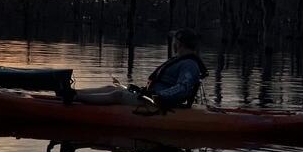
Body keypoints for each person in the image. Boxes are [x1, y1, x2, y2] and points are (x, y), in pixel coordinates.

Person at [63, 29, 206, 108]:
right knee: (111, 87)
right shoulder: (181, 60)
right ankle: (72, 92)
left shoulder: (189, 65)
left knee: (117, 95)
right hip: (151, 96)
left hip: (157, 102)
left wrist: (159, 96)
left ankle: (74, 98)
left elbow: (183, 88)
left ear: (179, 44)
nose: (173, 43)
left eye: (175, 41)